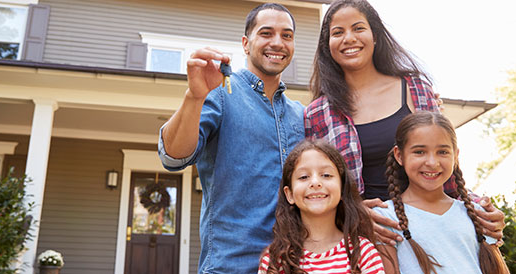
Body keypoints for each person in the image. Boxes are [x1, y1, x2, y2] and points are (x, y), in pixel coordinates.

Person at [304, 0, 505, 246]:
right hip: (366, 239)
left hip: (429, 228)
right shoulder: (317, 113)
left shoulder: (416, 88)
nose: (349, 38)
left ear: (375, 35)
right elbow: (317, 185)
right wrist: (352, 213)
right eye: (338, 32)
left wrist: (479, 209)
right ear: (327, 45)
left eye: (358, 28)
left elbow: (443, 163)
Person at [158, 3, 304, 273]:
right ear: (246, 44)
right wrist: (195, 96)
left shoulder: (301, 114)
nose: (277, 42)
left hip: (295, 265)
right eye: (266, 33)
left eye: (287, 35)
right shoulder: (220, 93)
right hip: (232, 266)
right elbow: (173, 157)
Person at [373, 111, 509, 274]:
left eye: (443, 152)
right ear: (399, 155)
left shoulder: (476, 214)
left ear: (455, 156)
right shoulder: (385, 218)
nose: (432, 162)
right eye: (419, 152)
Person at [258, 139, 385, 273]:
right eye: (303, 177)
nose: (315, 182)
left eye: (326, 175)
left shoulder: (363, 252)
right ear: (289, 194)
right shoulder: (276, 259)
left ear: (342, 189)